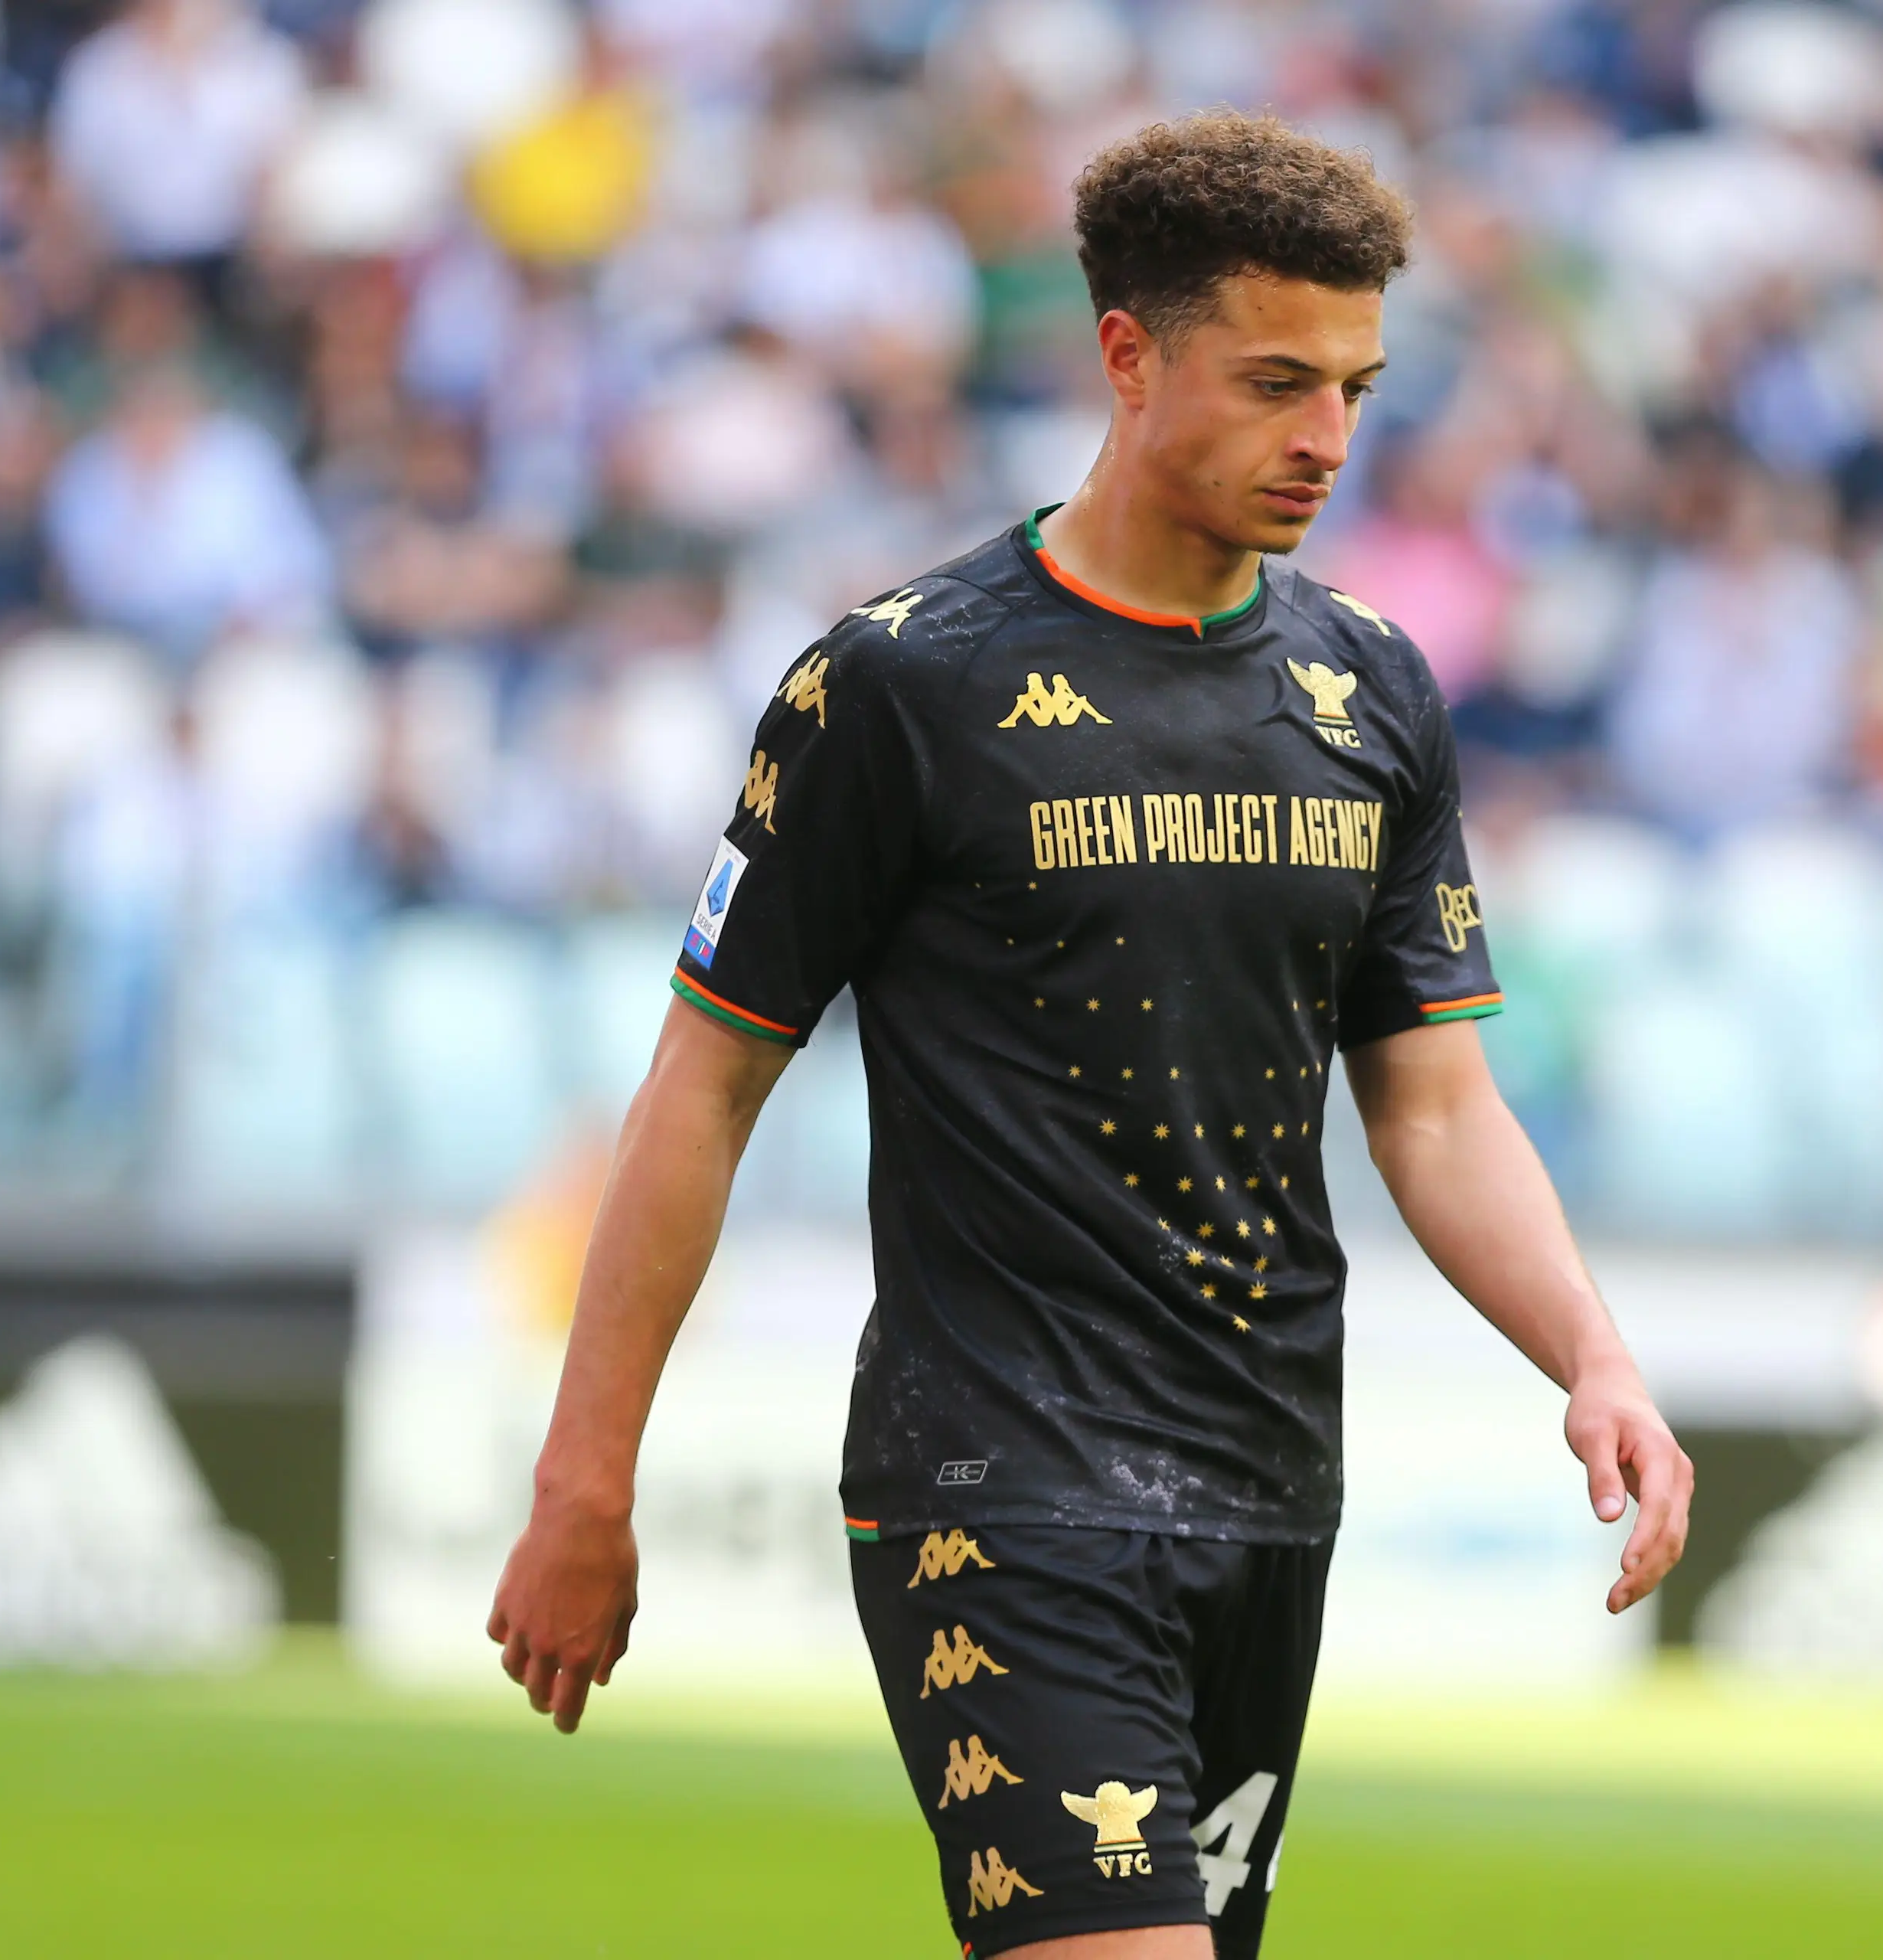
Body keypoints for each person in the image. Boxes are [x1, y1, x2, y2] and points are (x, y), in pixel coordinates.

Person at [486, 110, 1693, 1960]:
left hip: (1272, 1488)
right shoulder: (899, 683)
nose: (1329, 441)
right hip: (999, 1488)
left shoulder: (1369, 688)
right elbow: (705, 1084)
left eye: (1358, 387)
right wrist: (586, 1477)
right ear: (1129, 357)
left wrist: (1591, 1352)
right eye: (1278, 381)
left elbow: (1439, 1108)